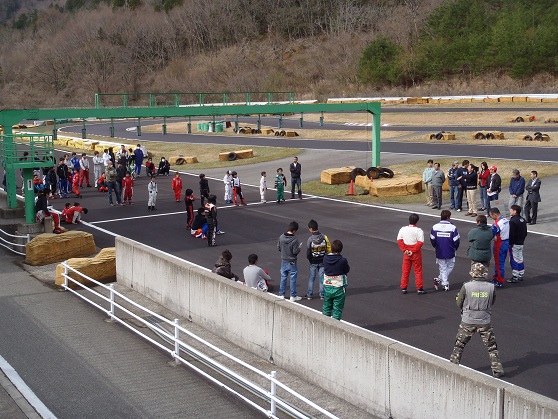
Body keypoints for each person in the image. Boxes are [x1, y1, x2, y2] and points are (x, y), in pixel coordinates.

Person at [449, 262, 505, 379]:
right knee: (491, 346)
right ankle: (497, 369)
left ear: (473, 273)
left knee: (459, 344)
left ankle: (452, 367)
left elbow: (459, 303)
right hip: (484, 320)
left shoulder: (466, 286)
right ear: (484, 273)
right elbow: (492, 302)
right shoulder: (491, 287)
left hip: (468, 320)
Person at [430, 210, 460, 291]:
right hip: (450, 250)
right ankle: (445, 284)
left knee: (443, 267)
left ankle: (438, 279)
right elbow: (456, 240)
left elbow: (432, 239)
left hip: (439, 250)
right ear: (448, 217)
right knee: (449, 266)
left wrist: (435, 246)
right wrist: (455, 248)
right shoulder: (453, 227)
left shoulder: (435, 227)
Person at [397, 213, 427, 295]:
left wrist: (405, 250)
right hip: (416, 253)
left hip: (406, 252)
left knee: (405, 270)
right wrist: (413, 250)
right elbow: (420, 242)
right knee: (418, 271)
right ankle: (419, 288)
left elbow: (399, 240)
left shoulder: (403, 229)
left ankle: (403, 287)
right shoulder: (419, 230)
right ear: (417, 221)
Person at [322, 239, 350, 320]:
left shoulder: (325, 258)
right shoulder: (342, 260)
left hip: (327, 285)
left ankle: (324, 323)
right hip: (339, 287)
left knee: (326, 307)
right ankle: (335, 324)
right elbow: (347, 269)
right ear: (341, 249)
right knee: (337, 310)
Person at [305, 219, 331, 300]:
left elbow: (308, 252)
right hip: (322, 260)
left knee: (312, 278)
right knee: (322, 278)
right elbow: (328, 249)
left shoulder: (310, 239)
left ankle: (309, 294)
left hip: (313, 261)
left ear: (311, 229)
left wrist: (310, 259)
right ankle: (322, 294)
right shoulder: (324, 237)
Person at [277, 221, 302, 301]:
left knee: (283, 277)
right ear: (294, 230)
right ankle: (293, 295)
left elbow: (278, 248)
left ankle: (281, 294)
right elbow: (295, 252)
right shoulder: (295, 239)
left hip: (284, 260)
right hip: (292, 261)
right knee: (292, 279)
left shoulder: (281, 237)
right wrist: (299, 249)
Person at [507, 204, 528, 283]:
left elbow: (511, 234)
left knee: (514, 259)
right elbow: (525, 232)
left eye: (511, 210)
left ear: (515, 211)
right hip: (521, 242)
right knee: (520, 258)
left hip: (514, 243)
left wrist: (510, 242)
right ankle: (521, 274)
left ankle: (515, 275)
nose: (510, 211)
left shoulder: (512, 221)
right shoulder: (523, 220)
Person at [489, 207, 509, 288]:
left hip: (499, 244)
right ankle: (496, 278)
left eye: (491, 215)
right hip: (506, 242)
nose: (491, 217)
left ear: (494, 214)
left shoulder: (497, 224)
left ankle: (499, 281)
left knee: (499, 263)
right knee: (500, 262)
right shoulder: (506, 220)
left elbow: (490, 234)